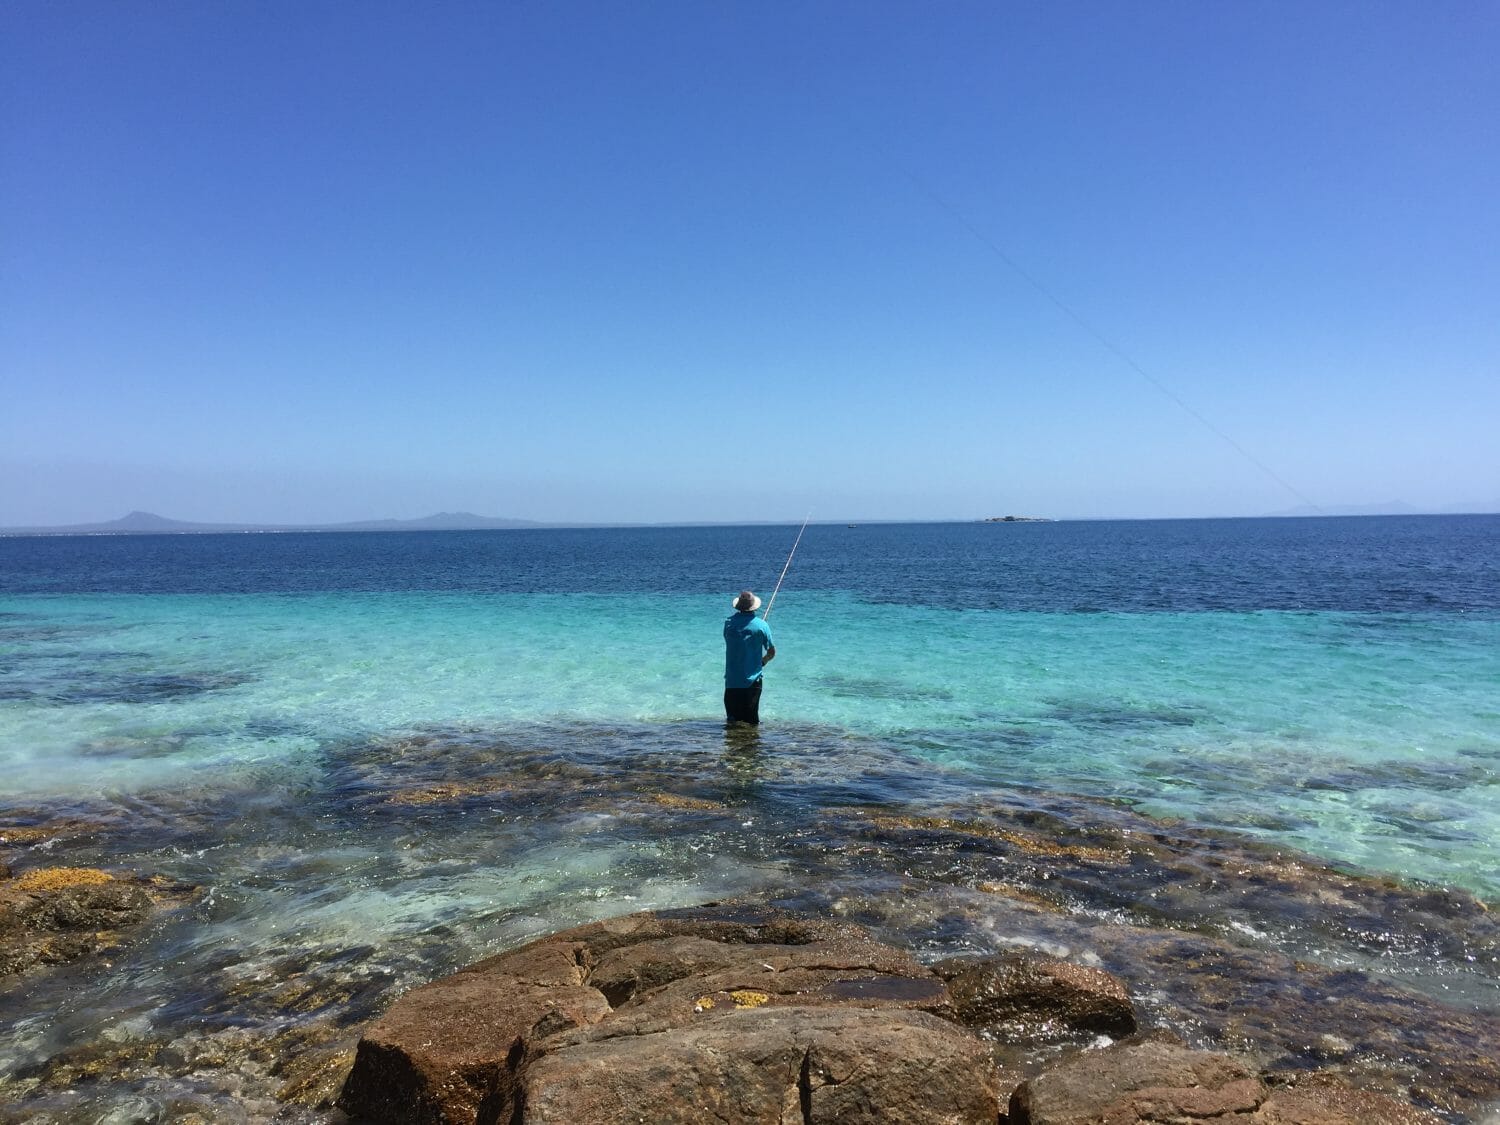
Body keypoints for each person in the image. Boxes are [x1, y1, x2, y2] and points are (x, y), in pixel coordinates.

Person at [724, 589, 775, 725]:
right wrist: (763, 662)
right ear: (754, 607)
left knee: (732, 722)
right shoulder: (762, 625)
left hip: (732, 681)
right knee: (752, 723)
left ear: (738, 606)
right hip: (752, 682)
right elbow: (771, 652)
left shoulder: (728, 624)